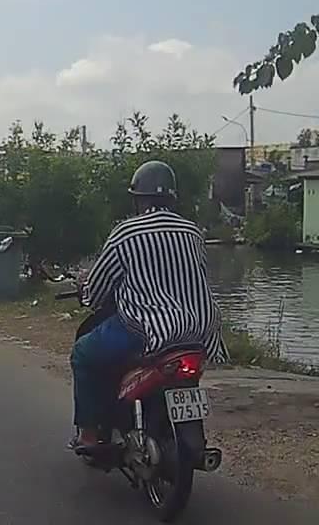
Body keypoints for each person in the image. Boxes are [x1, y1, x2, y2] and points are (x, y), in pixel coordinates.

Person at [70, 161, 228, 453]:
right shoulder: (192, 232)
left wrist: (87, 291)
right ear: (172, 198)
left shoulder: (125, 233)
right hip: (199, 330)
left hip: (148, 330)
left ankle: (89, 434)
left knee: (83, 353)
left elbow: (99, 290)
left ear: (138, 198)